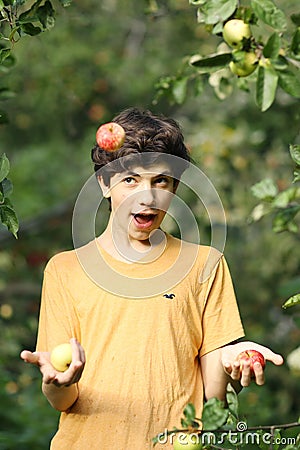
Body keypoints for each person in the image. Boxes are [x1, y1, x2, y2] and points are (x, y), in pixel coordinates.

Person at [20, 108, 283, 450]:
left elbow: (212, 397)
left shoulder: (205, 263)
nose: (148, 196)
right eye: (130, 179)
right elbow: (61, 400)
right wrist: (57, 382)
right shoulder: (65, 270)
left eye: (161, 181)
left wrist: (233, 361)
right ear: (103, 183)